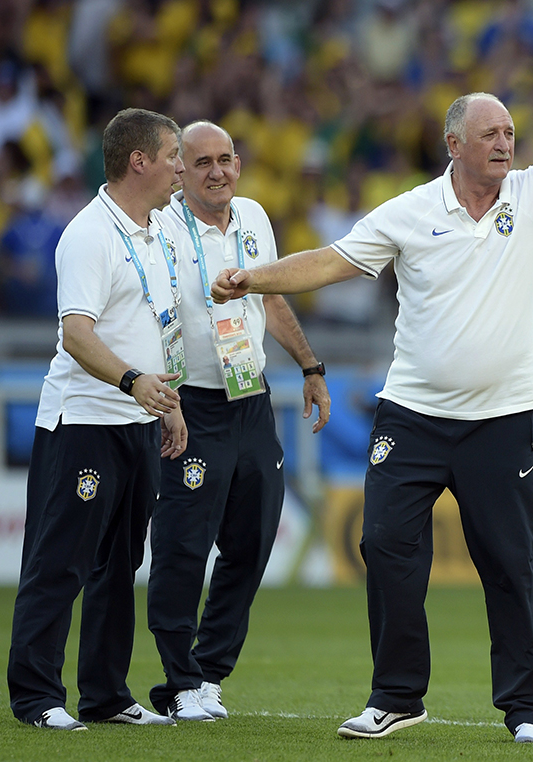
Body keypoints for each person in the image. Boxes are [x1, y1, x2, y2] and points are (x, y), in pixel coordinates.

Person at [212, 20, 533, 744]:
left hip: (503, 419)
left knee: (513, 567)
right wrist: (253, 279)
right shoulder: (411, 211)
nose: (506, 143)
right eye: (491, 134)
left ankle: (527, 710)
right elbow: (332, 261)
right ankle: (396, 696)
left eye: (509, 131)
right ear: (454, 145)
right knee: (383, 546)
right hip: (411, 415)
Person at [7, 107, 188, 730]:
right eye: (173, 157)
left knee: (120, 566)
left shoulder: (158, 230)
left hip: (137, 419)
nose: (181, 169)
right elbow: (76, 335)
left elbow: (158, 328)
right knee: (61, 562)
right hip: (83, 421)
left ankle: (106, 696)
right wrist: (134, 382)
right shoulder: (88, 234)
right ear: (139, 161)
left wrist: (169, 402)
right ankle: (35, 698)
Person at [146, 121, 331, 722]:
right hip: (190, 403)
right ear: (181, 171)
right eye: (202, 162)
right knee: (181, 546)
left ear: (240, 164)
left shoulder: (253, 217)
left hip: (250, 399)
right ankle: (179, 681)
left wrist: (309, 364)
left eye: (226, 159)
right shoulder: (160, 228)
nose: (217, 172)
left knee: (253, 540)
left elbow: (270, 299)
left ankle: (209, 673)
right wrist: (163, 396)